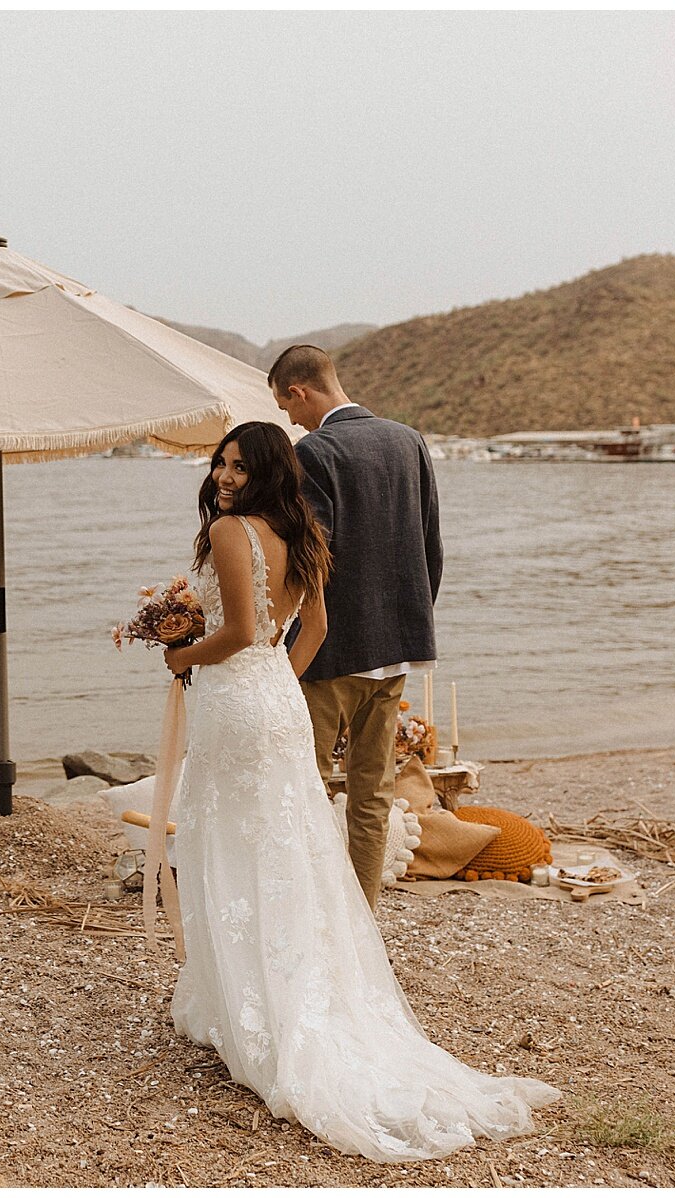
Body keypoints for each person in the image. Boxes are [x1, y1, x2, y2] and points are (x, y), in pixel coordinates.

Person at [161, 421, 557, 1162]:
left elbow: (242, 629)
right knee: (286, 845)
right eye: (220, 463)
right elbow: (312, 628)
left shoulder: (228, 534)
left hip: (237, 705)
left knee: (234, 842)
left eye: (238, 466)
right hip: (272, 700)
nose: (222, 475)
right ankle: (271, 992)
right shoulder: (299, 532)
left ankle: (254, 1009)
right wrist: (277, 672)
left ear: (267, 471)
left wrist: (181, 652)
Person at [267, 344, 443, 911]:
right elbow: (430, 546)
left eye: (286, 406)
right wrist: (408, 623)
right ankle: (362, 917)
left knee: (308, 786)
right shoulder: (408, 439)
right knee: (373, 793)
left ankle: (311, 910)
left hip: (332, 651)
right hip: (396, 649)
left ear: (300, 390)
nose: (289, 420)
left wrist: (281, 639)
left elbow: (312, 559)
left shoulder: (314, 452)